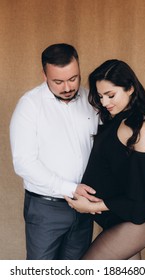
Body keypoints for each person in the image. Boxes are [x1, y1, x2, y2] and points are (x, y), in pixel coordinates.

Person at [65, 59, 145, 260]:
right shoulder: (113, 120)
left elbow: (141, 197)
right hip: (116, 220)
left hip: (133, 225)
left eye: (111, 95)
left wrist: (92, 207)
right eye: (100, 96)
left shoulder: (141, 130)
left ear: (130, 88)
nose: (104, 102)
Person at [9, 43, 99, 260]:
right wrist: (70, 188)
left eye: (73, 78)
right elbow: (23, 162)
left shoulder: (92, 101)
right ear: (44, 75)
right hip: (45, 209)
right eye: (58, 81)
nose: (67, 87)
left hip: (84, 209)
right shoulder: (29, 105)